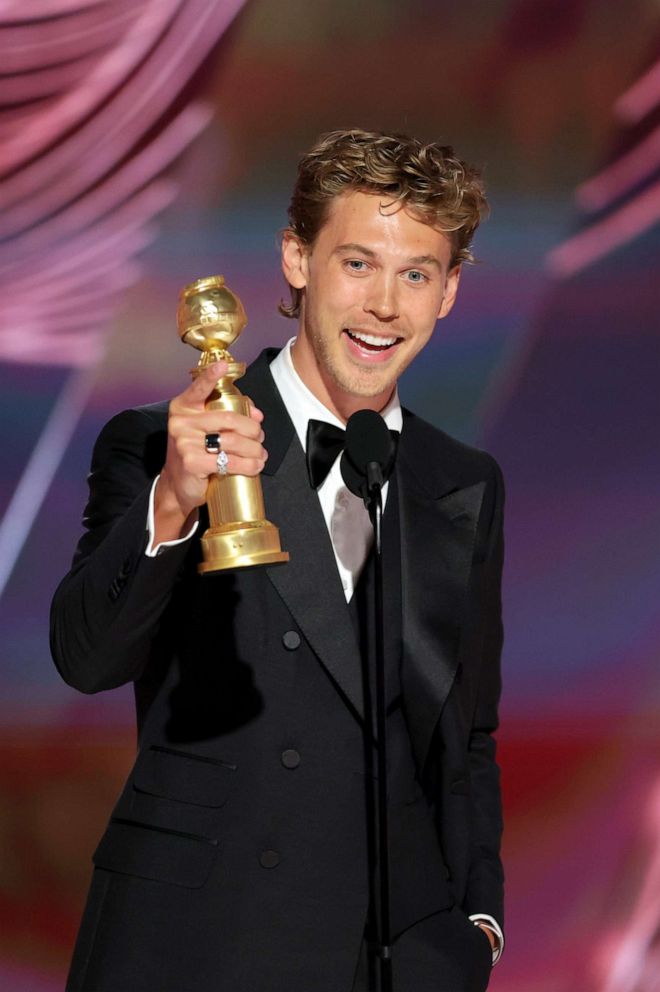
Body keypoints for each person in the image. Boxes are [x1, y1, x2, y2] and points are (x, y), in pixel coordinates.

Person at [51, 128, 505, 992]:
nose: (384, 305)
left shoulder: (462, 482)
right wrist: (176, 502)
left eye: (416, 274)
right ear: (297, 260)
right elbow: (86, 657)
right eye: (357, 263)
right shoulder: (162, 443)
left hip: (397, 956)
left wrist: (476, 920)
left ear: (448, 292)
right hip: (199, 943)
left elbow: (466, 734)